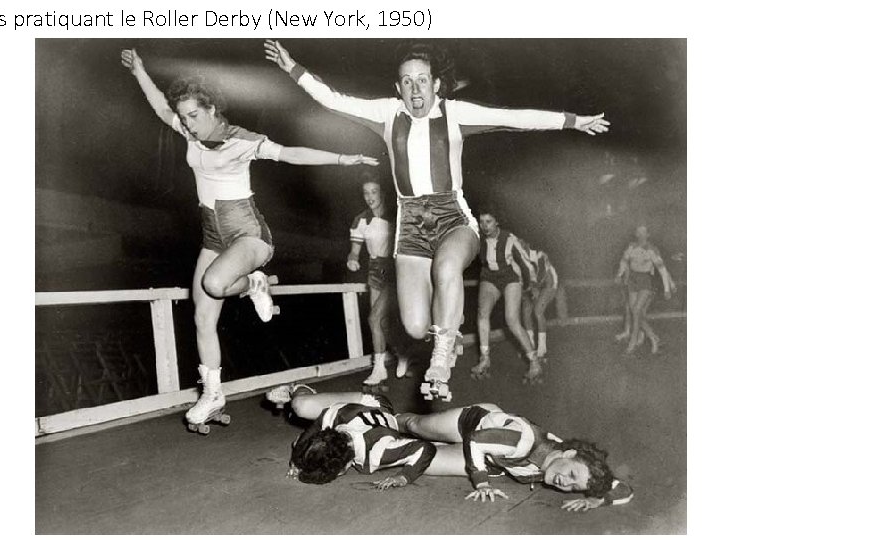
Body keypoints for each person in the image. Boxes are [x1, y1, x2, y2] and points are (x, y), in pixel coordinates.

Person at [264, 40, 610, 401]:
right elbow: (332, 99)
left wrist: (573, 121)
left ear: (436, 85)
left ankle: (443, 356)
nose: (415, 89)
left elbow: (515, 117)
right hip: (410, 224)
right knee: (414, 327)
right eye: (407, 82)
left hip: (453, 218)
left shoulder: (455, 113)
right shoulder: (387, 114)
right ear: (398, 88)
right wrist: (293, 68)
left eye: (422, 80)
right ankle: (448, 331)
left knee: (447, 269)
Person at [120, 49, 378, 431]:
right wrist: (140, 70)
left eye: (194, 116)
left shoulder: (242, 140)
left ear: (211, 109)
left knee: (214, 283)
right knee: (202, 316)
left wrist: (343, 160)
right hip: (213, 235)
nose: (187, 125)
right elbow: (161, 109)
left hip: (249, 235)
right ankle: (212, 393)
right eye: (185, 117)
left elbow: (290, 154)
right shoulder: (188, 131)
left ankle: (256, 279)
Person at [395, 404, 634, 511]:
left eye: (574, 487)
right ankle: (379, 415)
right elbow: (477, 440)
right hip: (474, 425)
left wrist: (597, 499)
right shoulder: (525, 442)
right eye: (571, 474)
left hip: (492, 460)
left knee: (416, 461)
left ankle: (372, 439)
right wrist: (481, 483)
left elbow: (623, 488)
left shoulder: (581, 465)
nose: (566, 483)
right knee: (414, 424)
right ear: (569, 454)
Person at [266, 385, 437, 489]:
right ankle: (300, 390)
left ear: (342, 471)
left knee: (301, 409)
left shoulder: (378, 452)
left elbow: (426, 448)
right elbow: (314, 429)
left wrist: (405, 476)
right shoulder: (334, 418)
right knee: (302, 407)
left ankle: (299, 389)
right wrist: (298, 458)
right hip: (358, 412)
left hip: (374, 402)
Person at [346, 176, 410, 387]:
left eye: (374, 192)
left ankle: (379, 367)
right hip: (374, 271)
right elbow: (354, 252)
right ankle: (398, 357)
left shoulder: (397, 217)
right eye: (366, 193)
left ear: (382, 193)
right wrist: (352, 260)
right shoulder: (360, 220)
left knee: (374, 318)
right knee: (379, 322)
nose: (370, 197)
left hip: (395, 270)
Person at [471, 211, 541, 383]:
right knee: (482, 314)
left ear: (497, 222)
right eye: (481, 222)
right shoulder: (479, 238)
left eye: (489, 221)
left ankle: (534, 362)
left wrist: (532, 283)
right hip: (489, 277)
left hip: (510, 278)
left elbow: (525, 262)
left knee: (512, 320)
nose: (484, 226)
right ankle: (484, 358)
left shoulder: (509, 238)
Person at [614, 225, 677, 355]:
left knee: (637, 310)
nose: (641, 234)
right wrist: (619, 275)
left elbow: (663, 270)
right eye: (638, 232)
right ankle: (653, 338)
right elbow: (624, 262)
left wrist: (667, 289)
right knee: (635, 313)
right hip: (633, 280)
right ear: (636, 234)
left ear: (648, 235)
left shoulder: (652, 250)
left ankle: (632, 343)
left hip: (646, 280)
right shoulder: (631, 247)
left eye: (644, 232)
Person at [519, 243, 560, 362]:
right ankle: (530, 347)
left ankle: (542, 350)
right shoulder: (517, 258)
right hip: (533, 285)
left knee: (538, 311)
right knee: (526, 312)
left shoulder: (539, 254)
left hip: (549, 284)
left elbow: (541, 275)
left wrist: (534, 288)